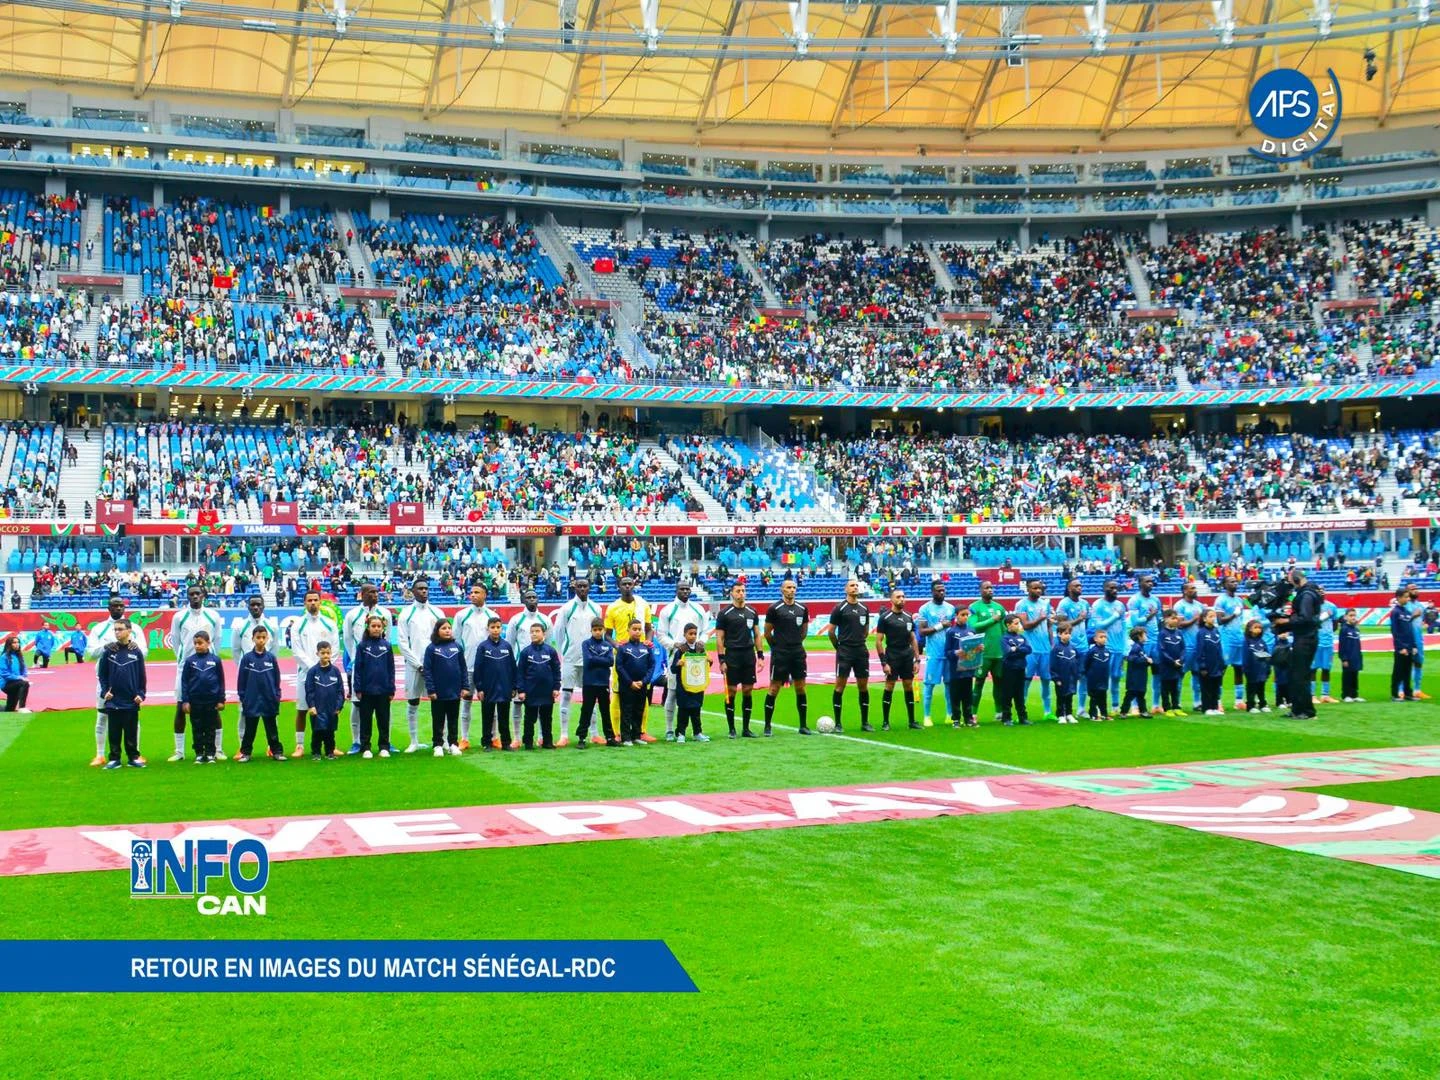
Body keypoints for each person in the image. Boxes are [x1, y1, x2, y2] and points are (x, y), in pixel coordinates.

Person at [85, 597, 148, 766]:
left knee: (132, 717)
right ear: (109, 608)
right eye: (115, 606)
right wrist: (105, 647)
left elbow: (145, 652)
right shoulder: (99, 628)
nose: (118, 608)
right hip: (106, 680)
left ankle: (135, 754)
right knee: (103, 715)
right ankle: (100, 754)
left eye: (121, 606)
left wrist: (134, 646)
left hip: (129, 682)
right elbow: (90, 653)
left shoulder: (135, 628)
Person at [171, 585, 225, 762]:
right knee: (181, 707)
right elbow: (176, 641)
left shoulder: (213, 616)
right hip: (186, 667)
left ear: (204, 595)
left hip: (209, 667)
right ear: (187, 596)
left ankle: (217, 749)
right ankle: (179, 751)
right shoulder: (179, 617)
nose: (194, 597)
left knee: (213, 709)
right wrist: (184, 659)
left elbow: (217, 640)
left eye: (198, 594)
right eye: (191, 594)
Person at [656, 581, 710, 741]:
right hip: (676, 656)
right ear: (676, 590)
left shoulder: (699, 609)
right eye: (682, 589)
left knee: (695, 691)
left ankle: (697, 731)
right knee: (672, 692)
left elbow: (706, 630)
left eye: (687, 589)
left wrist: (702, 641)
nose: (685, 591)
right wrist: (675, 645)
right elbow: (661, 634)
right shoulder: (667, 610)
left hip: (696, 658)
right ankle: (669, 730)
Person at [554, 578, 605, 747]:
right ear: (575, 588)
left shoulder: (596, 608)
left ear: (589, 588)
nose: (582, 589)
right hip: (570, 659)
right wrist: (565, 652)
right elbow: (559, 632)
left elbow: (599, 633)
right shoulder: (566, 609)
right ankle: (563, 734)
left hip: (590, 661)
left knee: (591, 697)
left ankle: (595, 733)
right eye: (579, 586)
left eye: (585, 586)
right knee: (566, 694)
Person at [396, 578, 444, 754]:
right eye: (420, 588)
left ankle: (442, 740)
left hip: (437, 666)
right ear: (413, 591)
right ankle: (414, 741)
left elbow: (444, 639)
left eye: (426, 588)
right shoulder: (406, 614)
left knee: (439, 702)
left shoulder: (437, 612)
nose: (424, 591)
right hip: (414, 665)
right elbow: (402, 642)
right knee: (413, 701)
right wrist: (417, 664)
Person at [603, 576, 653, 742]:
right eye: (623, 584)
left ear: (634, 585)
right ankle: (617, 732)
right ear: (619, 587)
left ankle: (641, 731)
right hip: (623, 657)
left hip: (642, 655)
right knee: (618, 695)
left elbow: (649, 629)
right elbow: (607, 635)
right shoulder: (613, 608)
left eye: (629, 583)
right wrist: (617, 646)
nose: (627, 586)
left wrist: (649, 641)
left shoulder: (643, 604)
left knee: (643, 694)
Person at [291, 588, 338, 759]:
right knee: (303, 709)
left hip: (327, 674)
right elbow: (296, 651)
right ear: (305, 603)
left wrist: (324, 667)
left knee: (327, 709)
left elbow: (335, 649)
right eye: (309, 600)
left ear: (320, 602)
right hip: (306, 674)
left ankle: (331, 745)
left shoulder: (329, 624)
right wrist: (314, 669)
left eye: (315, 600)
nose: (312, 603)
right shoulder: (297, 625)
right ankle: (300, 745)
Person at [715, 582, 764, 739]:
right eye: (738, 591)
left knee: (748, 690)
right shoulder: (725, 613)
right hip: (732, 655)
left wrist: (760, 655)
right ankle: (731, 728)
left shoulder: (752, 612)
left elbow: (757, 635)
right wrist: (721, 659)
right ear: (732, 593)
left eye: (743, 590)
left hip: (748, 655)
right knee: (731, 691)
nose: (741, 593)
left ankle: (746, 728)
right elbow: (720, 638)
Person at [454, 582, 499, 749]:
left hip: (488, 670)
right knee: (466, 702)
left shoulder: (492, 616)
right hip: (467, 667)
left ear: (485, 595)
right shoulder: (461, 616)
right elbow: (457, 641)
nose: (472, 595)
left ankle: (494, 737)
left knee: (490, 704)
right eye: (471, 592)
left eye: (477, 592)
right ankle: (464, 738)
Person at [508, 589, 555, 748]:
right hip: (520, 667)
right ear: (523, 600)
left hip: (541, 669)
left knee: (544, 707)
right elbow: (510, 644)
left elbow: (549, 644)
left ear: (538, 599)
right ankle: (517, 738)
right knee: (518, 703)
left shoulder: (546, 619)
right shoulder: (516, 620)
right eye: (528, 597)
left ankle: (543, 737)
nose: (532, 599)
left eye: (534, 597)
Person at [763, 579, 809, 737]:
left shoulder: (802, 609)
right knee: (774, 688)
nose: (792, 590)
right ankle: (767, 726)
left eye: (794, 587)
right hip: (780, 653)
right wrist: (776, 647)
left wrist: (795, 643)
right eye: (789, 587)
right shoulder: (774, 608)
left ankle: (803, 725)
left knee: (800, 687)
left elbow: (804, 632)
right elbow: (767, 633)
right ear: (782, 590)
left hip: (797, 652)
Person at [97, 619, 146, 769]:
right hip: (114, 700)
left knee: (131, 731)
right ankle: (114, 759)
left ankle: (133, 757)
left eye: (120, 629)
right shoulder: (109, 651)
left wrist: (141, 694)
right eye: (115, 630)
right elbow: (102, 674)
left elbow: (141, 676)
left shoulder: (136, 651)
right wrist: (105, 692)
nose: (117, 632)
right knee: (114, 731)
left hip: (131, 700)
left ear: (129, 631)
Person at [828, 579, 872, 733]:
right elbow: (831, 632)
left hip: (860, 650)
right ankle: (838, 723)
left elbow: (866, 629)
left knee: (863, 686)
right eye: (852, 585)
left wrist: (859, 640)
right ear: (846, 589)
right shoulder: (839, 608)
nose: (855, 587)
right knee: (840, 686)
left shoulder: (864, 608)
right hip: (845, 651)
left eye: (856, 585)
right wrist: (839, 647)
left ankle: (865, 722)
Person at [1277, 568, 1321, 719]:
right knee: (1296, 674)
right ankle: (1297, 709)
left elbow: (1305, 618)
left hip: (1305, 638)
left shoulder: (1306, 595)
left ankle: (1307, 711)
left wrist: (1286, 621)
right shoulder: (1308, 593)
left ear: (1296, 580)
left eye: (1291, 582)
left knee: (1300, 675)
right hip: (1305, 637)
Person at [236, 625, 284, 763]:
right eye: (258, 637)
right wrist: (243, 697)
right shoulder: (247, 658)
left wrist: (277, 696)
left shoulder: (271, 658)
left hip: (269, 699)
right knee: (250, 729)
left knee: (272, 728)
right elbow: (241, 680)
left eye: (263, 637)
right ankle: (245, 753)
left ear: (267, 639)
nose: (261, 640)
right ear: (253, 639)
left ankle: (277, 752)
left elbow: (276, 679)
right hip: (251, 700)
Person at [422, 619, 469, 757]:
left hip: (454, 691)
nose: (447, 630)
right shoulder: (431, 648)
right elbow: (428, 670)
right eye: (444, 628)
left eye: (449, 628)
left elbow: (463, 668)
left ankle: (453, 744)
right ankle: (437, 744)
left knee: (453, 719)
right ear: (437, 631)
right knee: (438, 719)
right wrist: (431, 690)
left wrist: (465, 686)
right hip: (438, 692)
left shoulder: (457, 647)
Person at [353, 613, 397, 758]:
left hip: (384, 690)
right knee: (366, 720)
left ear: (383, 628)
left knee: (383, 719)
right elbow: (358, 668)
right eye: (373, 626)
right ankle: (365, 747)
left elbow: (391, 668)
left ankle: (384, 746)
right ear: (368, 627)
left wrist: (391, 688)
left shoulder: (387, 646)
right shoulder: (362, 646)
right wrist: (357, 688)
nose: (376, 629)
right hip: (366, 691)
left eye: (379, 626)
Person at [875, 588, 919, 730]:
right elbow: (879, 641)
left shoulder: (908, 616)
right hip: (892, 655)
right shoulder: (885, 618)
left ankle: (912, 721)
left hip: (907, 655)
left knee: (908, 685)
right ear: (891, 600)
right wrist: (884, 662)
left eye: (903, 596)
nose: (902, 599)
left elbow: (913, 638)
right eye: (898, 597)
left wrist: (917, 660)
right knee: (890, 686)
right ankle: (885, 722)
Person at [178, 629, 225, 764]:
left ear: (208, 643)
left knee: (210, 727)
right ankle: (199, 753)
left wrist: (221, 699)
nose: (197, 646)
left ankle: (210, 753)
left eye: (200, 643)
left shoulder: (215, 660)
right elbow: (185, 682)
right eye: (195, 643)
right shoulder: (190, 661)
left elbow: (221, 680)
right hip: (195, 700)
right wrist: (185, 700)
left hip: (211, 700)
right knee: (197, 727)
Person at [916, 579, 957, 726]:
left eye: (943, 590)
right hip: (934, 654)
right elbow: (921, 631)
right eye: (938, 590)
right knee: (929, 685)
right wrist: (940, 626)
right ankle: (927, 716)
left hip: (949, 653)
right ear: (932, 592)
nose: (942, 593)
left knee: (949, 685)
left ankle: (949, 714)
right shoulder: (925, 609)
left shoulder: (951, 609)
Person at [517, 621, 562, 750]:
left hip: (547, 692)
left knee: (547, 718)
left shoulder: (551, 651)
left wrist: (556, 687)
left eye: (537, 631)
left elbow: (556, 670)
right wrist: (521, 690)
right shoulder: (525, 652)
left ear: (544, 634)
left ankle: (547, 742)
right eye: (532, 632)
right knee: (529, 719)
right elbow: (520, 673)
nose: (534, 634)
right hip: (531, 692)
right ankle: (528, 743)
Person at [474, 617, 517, 752]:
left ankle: (505, 743)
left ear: (501, 628)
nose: (495, 630)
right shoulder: (483, 647)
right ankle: (487, 742)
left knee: (504, 717)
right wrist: (479, 688)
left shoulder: (507, 646)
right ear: (488, 629)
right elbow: (478, 668)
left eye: (498, 627)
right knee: (487, 717)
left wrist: (514, 686)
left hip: (505, 687)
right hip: (488, 688)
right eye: (493, 627)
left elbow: (512, 668)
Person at [1015, 578, 1054, 722]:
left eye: (1040, 588)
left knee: (1046, 680)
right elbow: (1025, 625)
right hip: (1030, 649)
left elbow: (1049, 625)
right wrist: (1040, 618)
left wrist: (1052, 644)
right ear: (1028, 589)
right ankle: (1022, 712)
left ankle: (1048, 712)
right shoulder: (1021, 604)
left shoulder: (1045, 604)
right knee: (1026, 680)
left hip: (1045, 649)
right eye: (1035, 588)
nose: (1038, 590)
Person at [968, 581, 1006, 717]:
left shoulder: (999, 608)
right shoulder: (974, 607)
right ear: (980, 590)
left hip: (999, 652)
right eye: (986, 588)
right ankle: (973, 713)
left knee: (999, 682)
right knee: (978, 682)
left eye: (991, 587)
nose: (990, 590)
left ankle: (999, 712)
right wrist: (992, 620)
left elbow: (1004, 629)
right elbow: (973, 626)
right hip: (982, 652)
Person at [1054, 579, 1091, 718]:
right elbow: (1061, 624)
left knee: (1083, 677)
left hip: (1083, 646)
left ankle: (1081, 709)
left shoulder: (1084, 603)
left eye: (1081, 585)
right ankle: (1064, 711)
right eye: (1076, 585)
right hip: (1068, 647)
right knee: (1068, 678)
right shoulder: (1064, 603)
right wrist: (1078, 620)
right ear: (1069, 588)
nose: (1079, 587)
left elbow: (1087, 622)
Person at [576, 618, 616, 747]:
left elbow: (611, 661)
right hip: (589, 683)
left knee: (605, 711)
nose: (598, 632)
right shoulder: (586, 644)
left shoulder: (608, 645)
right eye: (595, 630)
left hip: (603, 683)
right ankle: (582, 738)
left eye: (600, 630)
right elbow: (588, 660)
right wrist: (602, 660)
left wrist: (596, 659)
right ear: (591, 630)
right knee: (586, 710)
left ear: (604, 630)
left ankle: (610, 737)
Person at [303, 642, 347, 760]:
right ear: (317, 653)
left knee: (330, 732)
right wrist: (311, 706)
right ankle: (316, 753)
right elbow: (309, 690)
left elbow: (340, 691)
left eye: (328, 653)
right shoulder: (313, 671)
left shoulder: (335, 671)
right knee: (317, 732)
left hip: (332, 709)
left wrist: (339, 706)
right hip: (317, 708)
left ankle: (330, 752)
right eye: (323, 653)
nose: (325, 655)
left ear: (331, 653)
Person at [1126, 575, 1162, 714]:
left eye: (1151, 581)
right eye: (1147, 581)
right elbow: (1135, 622)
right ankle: (1135, 706)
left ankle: (1156, 704)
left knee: (1157, 673)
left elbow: (1159, 620)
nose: (1150, 583)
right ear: (1140, 583)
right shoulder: (1134, 600)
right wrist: (1150, 615)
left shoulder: (1155, 600)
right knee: (1138, 674)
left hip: (1155, 641)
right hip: (1142, 643)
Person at [1090, 580, 1128, 711]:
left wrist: (1125, 647)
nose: (1115, 590)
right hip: (1105, 648)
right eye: (1111, 588)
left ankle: (1115, 706)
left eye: (1116, 588)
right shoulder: (1098, 605)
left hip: (1118, 647)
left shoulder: (1120, 605)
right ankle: (1101, 707)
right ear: (1104, 589)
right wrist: (1115, 615)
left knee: (1116, 677)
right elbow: (1099, 626)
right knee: (1103, 678)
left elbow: (1124, 626)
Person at [670, 623, 711, 743]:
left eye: (695, 634)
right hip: (683, 686)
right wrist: (678, 664)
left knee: (696, 709)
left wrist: (710, 661)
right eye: (690, 633)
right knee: (683, 710)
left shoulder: (701, 649)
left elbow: (705, 666)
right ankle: (681, 733)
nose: (693, 636)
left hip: (697, 685)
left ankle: (697, 732)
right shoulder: (681, 650)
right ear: (684, 634)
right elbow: (673, 668)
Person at [942, 608, 983, 728]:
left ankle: (968, 718)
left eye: (967, 615)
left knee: (967, 695)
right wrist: (956, 652)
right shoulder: (951, 632)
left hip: (968, 668)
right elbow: (947, 652)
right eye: (962, 615)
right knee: (955, 695)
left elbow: (974, 650)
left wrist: (979, 648)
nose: (965, 617)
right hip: (955, 669)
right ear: (956, 616)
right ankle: (955, 719)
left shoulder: (971, 631)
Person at [1213, 577, 1249, 711]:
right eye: (1231, 582)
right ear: (1224, 584)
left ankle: (1239, 700)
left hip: (1238, 638)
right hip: (1226, 638)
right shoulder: (1221, 600)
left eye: (1235, 581)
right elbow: (1220, 620)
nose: (1234, 583)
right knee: (1222, 669)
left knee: (1239, 668)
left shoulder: (1239, 600)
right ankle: (1217, 701)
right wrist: (1234, 614)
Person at [1172, 580, 1205, 710]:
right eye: (1192, 588)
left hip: (1198, 646)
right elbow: (1179, 624)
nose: (1195, 590)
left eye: (1195, 588)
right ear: (1185, 591)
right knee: (1180, 674)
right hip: (1185, 645)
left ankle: (1197, 703)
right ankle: (1177, 703)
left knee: (1197, 673)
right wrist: (1194, 619)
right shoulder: (1179, 606)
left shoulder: (1199, 605)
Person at [998, 614, 1032, 726]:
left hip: (1021, 668)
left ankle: (1023, 717)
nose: (1019, 626)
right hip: (1009, 669)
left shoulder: (1022, 637)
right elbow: (1007, 652)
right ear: (1008, 625)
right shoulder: (1004, 638)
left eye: (1019, 623)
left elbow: (1028, 649)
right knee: (1007, 694)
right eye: (1016, 623)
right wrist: (1019, 651)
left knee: (1019, 694)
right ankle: (1006, 718)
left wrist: (1016, 649)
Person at [1391, 588, 1417, 702]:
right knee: (1398, 671)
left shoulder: (1406, 612)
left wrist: (1414, 645)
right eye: (1406, 597)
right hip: (1401, 648)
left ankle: (1408, 693)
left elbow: (1410, 631)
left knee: (1407, 671)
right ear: (1399, 597)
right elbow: (1395, 632)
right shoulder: (1395, 612)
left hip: (1409, 647)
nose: (1408, 599)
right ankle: (1395, 694)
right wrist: (1400, 647)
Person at [1158, 610, 1186, 717]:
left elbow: (1183, 648)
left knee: (1176, 687)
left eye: (1176, 618)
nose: (1175, 620)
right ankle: (1167, 708)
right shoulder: (1162, 634)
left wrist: (1181, 659)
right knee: (1165, 687)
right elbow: (1162, 650)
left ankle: (1176, 707)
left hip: (1178, 665)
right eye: (1173, 618)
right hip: (1166, 665)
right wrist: (1172, 661)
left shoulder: (1179, 633)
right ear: (1166, 619)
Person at [1196, 610, 1224, 716]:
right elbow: (1200, 650)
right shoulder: (1201, 632)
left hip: (1216, 664)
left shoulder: (1216, 631)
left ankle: (1214, 706)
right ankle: (1206, 708)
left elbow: (1219, 648)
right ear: (1204, 619)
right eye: (1210, 616)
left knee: (1215, 687)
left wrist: (1222, 663)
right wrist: (1202, 666)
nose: (1213, 618)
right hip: (1207, 664)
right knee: (1206, 686)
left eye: (1214, 616)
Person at [1051, 623, 1080, 725]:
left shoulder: (1073, 648)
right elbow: (1053, 664)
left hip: (1071, 678)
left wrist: (1077, 674)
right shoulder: (1056, 648)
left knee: (1069, 696)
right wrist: (1056, 678)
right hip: (1061, 678)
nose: (1068, 635)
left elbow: (1077, 660)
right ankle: (1060, 715)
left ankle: (1069, 714)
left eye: (1069, 633)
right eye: (1065, 633)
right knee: (1061, 697)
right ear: (1059, 634)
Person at [1405, 589, 1431, 700]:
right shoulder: (1405, 606)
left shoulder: (1421, 605)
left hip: (1419, 640)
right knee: (1405, 665)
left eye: (1416, 588)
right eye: (1412, 588)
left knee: (1419, 663)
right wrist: (1413, 616)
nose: (1415, 590)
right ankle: (1402, 690)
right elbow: (1402, 623)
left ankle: (1417, 690)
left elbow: (1423, 620)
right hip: (1408, 639)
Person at [1242, 619, 1272, 713]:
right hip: (1252, 669)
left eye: (1260, 628)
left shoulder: (1262, 642)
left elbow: (1266, 654)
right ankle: (1250, 705)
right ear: (1250, 629)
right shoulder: (1247, 642)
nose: (1258, 629)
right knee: (1251, 687)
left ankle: (1262, 704)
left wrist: (1268, 668)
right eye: (1255, 627)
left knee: (1261, 687)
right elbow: (1245, 656)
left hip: (1261, 669)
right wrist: (1246, 669)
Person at [1122, 626, 1152, 717]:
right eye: (1145, 635)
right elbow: (1132, 659)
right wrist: (1146, 660)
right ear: (1139, 636)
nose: (1146, 637)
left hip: (1141, 675)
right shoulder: (1136, 647)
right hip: (1134, 676)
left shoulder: (1141, 647)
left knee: (1141, 694)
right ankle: (1124, 711)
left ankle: (1143, 711)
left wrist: (1147, 662)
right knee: (1131, 694)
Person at [1084, 630, 1112, 721]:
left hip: (1104, 679)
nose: (1104, 639)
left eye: (1105, 637)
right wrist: (1088, 674)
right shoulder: (1092, 651)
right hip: (1094, 679)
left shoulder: (1107, 651)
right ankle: (1093, 714)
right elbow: (1086, 664)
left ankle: (1104, 714)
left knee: (1103, 697)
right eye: (1101, 637)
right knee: (1094, 698)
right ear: (1095, 639)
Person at [1338, 609, 1364, 703]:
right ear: (1346, 617)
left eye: (1354, 615)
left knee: (1354, 676)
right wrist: (1344, 658)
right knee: (1347, 676)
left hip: (1356, 657)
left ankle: (1354, 695)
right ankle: (1346, 695)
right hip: (1348, 658)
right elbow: (1342, 645)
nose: (1353, 617)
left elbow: (1358, 645)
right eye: (1351, 615)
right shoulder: (1344, 629)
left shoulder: (1356, 629)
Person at [0, 636, 29, 713]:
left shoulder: (19, 656)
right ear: (9, 644)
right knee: (24, 684)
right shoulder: (4, 657)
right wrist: (19, 677)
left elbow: (24, 669)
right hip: (7, 684)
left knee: (9, 709)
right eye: (14, 642)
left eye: (18, 642)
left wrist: (24, 676)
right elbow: (4, 674)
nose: (17, 644)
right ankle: (22, 707)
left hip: (16, 683)